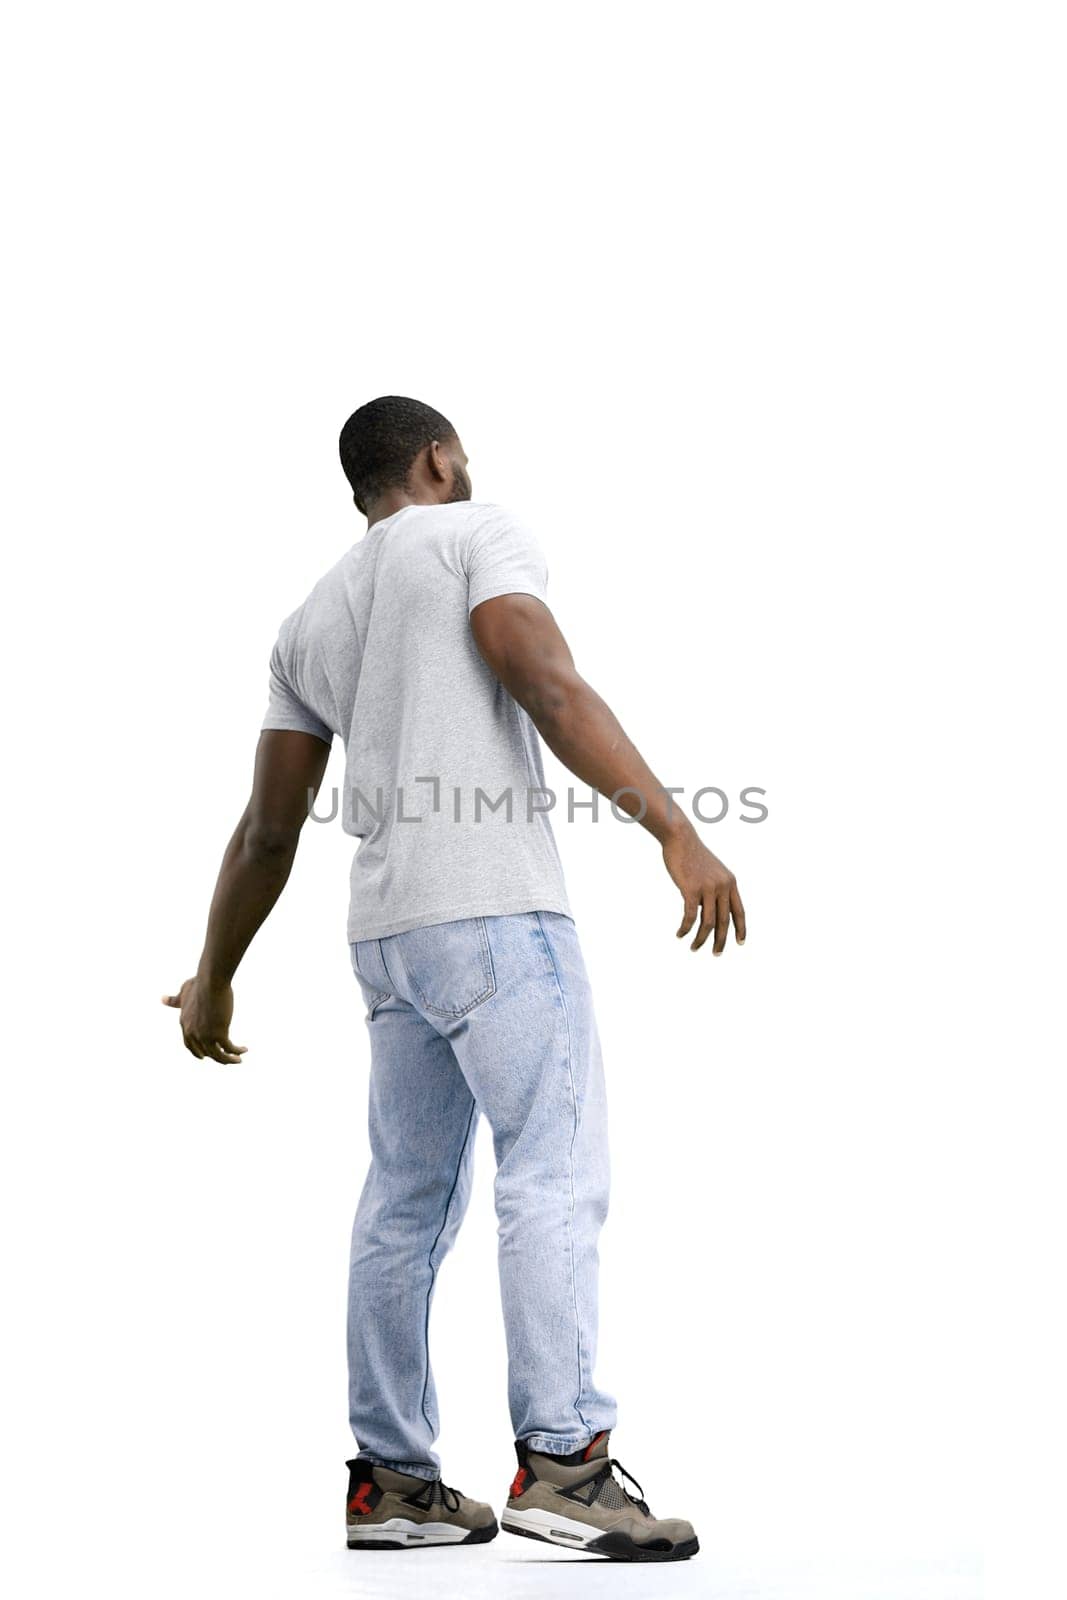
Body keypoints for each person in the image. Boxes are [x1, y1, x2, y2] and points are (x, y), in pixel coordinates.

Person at [163, 395, 745, 1563]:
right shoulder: (478, 534)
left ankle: (392, 1482)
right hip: (492, 912)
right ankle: (567, 1465)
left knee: (403, 1202)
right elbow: (542, 676)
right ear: (436, 459)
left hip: (385, 940)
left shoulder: (310, 619)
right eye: (460, 454)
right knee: (551, 1170)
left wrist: (213, 973)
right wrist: (672, 830)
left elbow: (268, 828)